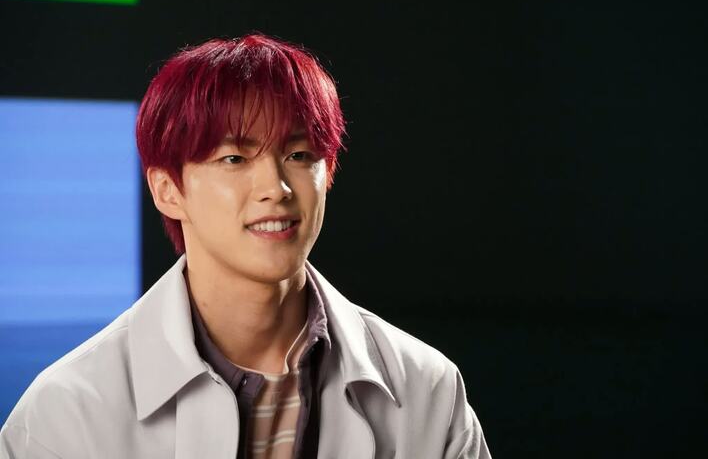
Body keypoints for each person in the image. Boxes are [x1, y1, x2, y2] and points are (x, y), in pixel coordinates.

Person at [0, 33, 492, 459]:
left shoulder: (427, 390)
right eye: (234, 158)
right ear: (168, 190)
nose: (276, 188)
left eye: (299, 154)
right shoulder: (66, 412)